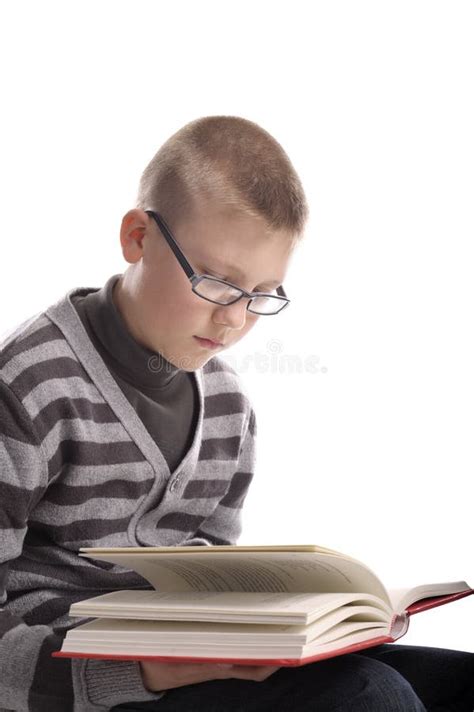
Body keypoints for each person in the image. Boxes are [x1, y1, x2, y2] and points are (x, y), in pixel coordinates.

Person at [0, 116, 472, 712]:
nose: (235, 320)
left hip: (187, 658)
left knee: (455, 683)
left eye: (262, 294)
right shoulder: (28, 388)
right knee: (372, 698)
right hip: (74, 684)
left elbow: (205, 575)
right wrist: (146, 672)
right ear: (137, 237)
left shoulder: (227, 405)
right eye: (219, 283)